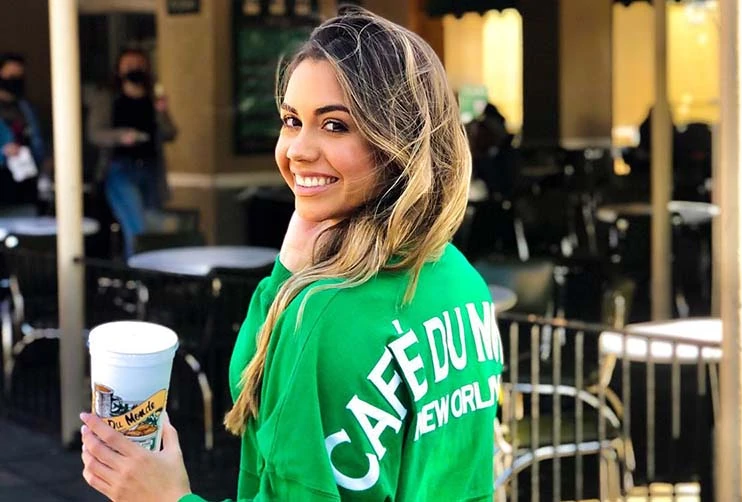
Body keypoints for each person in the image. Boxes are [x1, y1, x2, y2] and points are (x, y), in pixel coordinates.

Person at [79, 8, 502, 502]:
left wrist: (164, 497)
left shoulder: (326, 317)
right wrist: (290, 270)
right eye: (291, 120)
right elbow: (260, 380)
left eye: (335, 125)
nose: (298, 150)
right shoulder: (459, 278)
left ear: (398, 141)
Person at [86, 48, 177, 258]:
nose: (134, 69)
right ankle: (139, 277)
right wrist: (121, 136)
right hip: (121, 170)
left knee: (153, 226)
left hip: (151, 170)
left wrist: (163, 112)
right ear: (118, 70)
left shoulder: (152, 98)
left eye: (139, 65)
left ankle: (153, 274)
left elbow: (170, 133)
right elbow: (94, 133)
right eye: (128, 65)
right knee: (137, 227)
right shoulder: (108, 98)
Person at [0, 53, 47, 216]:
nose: (15, 79)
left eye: (19, 75)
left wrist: (45, 161)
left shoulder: (27, 109)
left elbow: (37, 141)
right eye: (11, 74)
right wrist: (3, 151)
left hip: (26, 175)